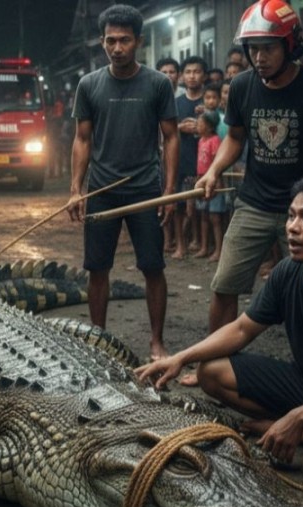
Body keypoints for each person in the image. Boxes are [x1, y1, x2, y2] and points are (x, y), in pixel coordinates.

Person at [136, 174, 303, 470]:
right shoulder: (287, 271)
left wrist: (297, 418)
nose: (292, 227)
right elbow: (242, 329)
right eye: (291, 216)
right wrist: (180, 357)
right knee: (210, 372)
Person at [197, 0, 303, 335]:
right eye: (253, 49)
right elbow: (235, 138)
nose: (259, 58)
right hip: (253, 203)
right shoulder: (241, 86)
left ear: (290, 44)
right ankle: (212, 363)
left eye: (268, 48)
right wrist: (213, 170)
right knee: (224, 285)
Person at [68, 3, 179, 360]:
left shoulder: (158, 83)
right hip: (102, 190)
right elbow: (82, 139)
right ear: (102, 42)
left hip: (145, 189)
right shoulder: (89, 84)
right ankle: (98, 340)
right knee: (97, 268)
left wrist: (169, 191)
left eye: (125, 41)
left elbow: (171, 137)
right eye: (111, 41)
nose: (117, 48)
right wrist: (76, 189)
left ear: (139, 42)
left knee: (153, 267)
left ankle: (156, 342)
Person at [173, 56, 207, 260]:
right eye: (188, 72)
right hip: (181, 158)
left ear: (204, 75)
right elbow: (165, 131)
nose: (192, 76)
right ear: (182, 76)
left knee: (204, 207)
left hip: (205, 162)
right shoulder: (176, 102)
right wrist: (180, 127)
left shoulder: (210, 100)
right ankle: (180, 245)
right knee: (177, 205)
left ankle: (202, 244)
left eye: (196, 71)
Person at [195, 110, 223, 262]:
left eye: (200, 123)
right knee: (203, 216)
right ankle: (204, 247)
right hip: (202, 182)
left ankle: (218, 250)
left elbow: (216, 163)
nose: (197, 126)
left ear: (209, 126)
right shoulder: (200, 141)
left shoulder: (215, 140)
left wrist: (217, 182)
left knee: (215, 218)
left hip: (213, 184)